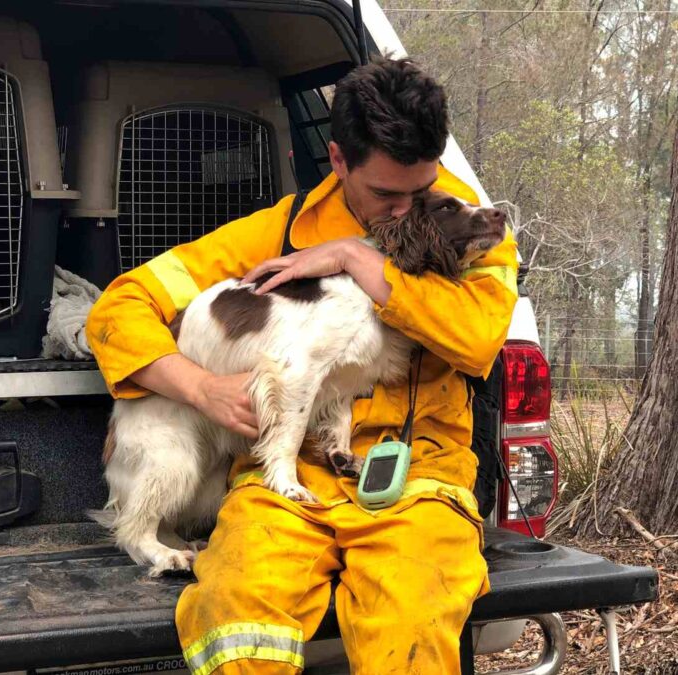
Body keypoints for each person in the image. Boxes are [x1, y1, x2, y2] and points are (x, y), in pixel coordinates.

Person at [86, 56, 519, 675]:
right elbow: (116, 307)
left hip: (416, 478)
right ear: (339, 160)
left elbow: (475, 338)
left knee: (413, 617)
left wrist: (356, 257)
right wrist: (201, 387)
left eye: (419, 191)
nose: (405, 211)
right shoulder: (281, 229)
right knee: (236, 605)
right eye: (386, 195)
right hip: (282, 481)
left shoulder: (466, 223)